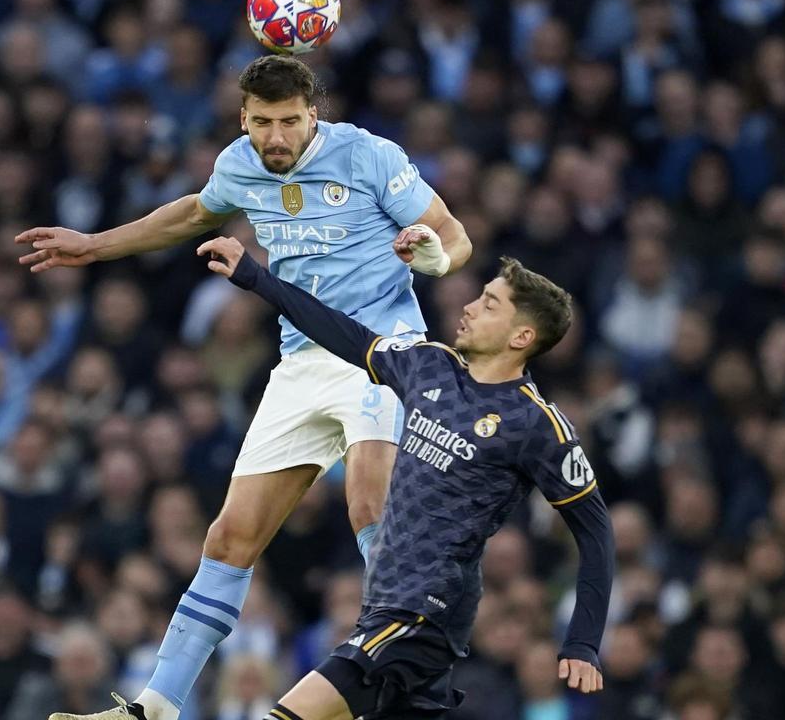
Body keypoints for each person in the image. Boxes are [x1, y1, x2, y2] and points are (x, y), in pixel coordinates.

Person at [18, 54, 471, 720]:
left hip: (382, 353)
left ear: (312, 114)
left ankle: (404, 679)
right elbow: (191, 215)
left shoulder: (368, 156)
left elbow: (454, 236)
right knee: (230, 538)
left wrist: (432, 255)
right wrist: (92, 246)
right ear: (244, 118)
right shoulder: (240, 163)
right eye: (263, 122)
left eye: (290, 121)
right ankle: (157, 707)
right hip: (299, 365)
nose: (277, 137)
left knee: (370, 504)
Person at [102, 235, 609, 720]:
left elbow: (595, 532)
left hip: (422, 615)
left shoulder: (538, 425)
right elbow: (342, 333)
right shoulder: (429, 367)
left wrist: (582, 641)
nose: (470, 308)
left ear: (522, 337)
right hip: (386, 606)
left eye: (490, 305)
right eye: (479, 297)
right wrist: (256, 278)